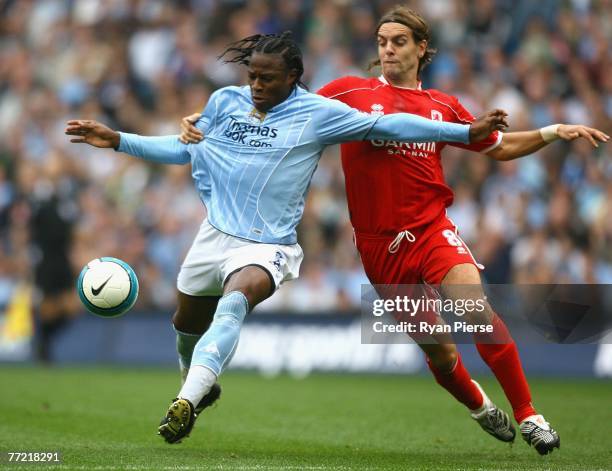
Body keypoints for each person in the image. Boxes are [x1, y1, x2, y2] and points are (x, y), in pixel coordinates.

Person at [179, 9, 609, 455]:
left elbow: (497, 148)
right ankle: (481, 407)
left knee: (473, 308)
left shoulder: (443, 105)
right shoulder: (347, 92)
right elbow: (277, 102)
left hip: (431, 229)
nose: (387, 48)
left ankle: (529, 415)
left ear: (421, 48)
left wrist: (553, 130)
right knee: (440, 353)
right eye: (383, 40)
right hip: (379, 249)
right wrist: (204, 117)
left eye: (399, 41)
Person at [65, 31, 508, 444]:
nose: (256, 85)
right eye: (252, 75)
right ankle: (196, 384)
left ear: (293, 77)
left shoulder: (318, 114)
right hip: (214, 235)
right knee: (185, 327)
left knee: (234, 303)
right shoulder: (225, 102)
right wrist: (118, 139)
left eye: (268, 78)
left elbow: (392, 126)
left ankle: (184, 400)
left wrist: (464, 132)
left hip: (267, 245)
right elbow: (185, 149)